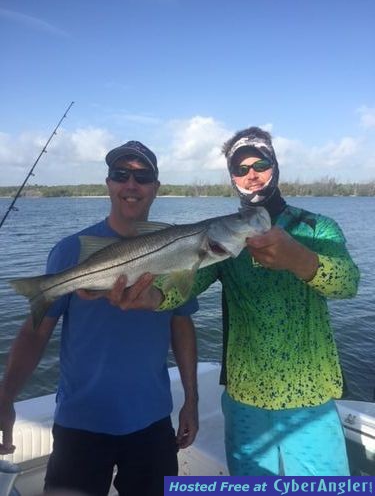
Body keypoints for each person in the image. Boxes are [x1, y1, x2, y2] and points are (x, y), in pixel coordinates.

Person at [152, 127, 360, 475]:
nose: (251, 174)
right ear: (232, 176)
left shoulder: (316, 227)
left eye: (260, 163)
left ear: (275, 165)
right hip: (244, 396)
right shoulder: (223, 236)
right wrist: (148, 294)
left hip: (311, 396)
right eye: (240, 168)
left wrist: (299, 258)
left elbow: (348, 283)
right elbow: (181, 287)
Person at [0, 141, 199, 496]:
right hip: (81, 422)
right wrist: (5, 397)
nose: (131, 185)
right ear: (108, 184)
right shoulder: (72, 249)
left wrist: (192, 401)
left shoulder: (183, 250)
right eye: (120, 175)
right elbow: (35, 332)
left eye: (143, 176)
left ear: (156, 186)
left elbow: (181, 325)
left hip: (152, 421)